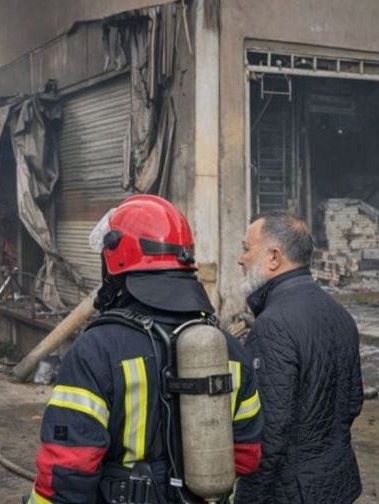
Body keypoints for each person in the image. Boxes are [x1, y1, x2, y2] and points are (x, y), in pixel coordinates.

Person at [27, 195, 263, 504]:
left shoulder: (96, 350)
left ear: (115, 258)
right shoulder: (227, 346)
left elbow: (68, 468)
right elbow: (247, 456)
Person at [233, 210, 363, 504]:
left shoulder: (273, 326)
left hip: (293, 492)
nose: (241, 259)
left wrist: (248, 498)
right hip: (337, 483)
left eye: (246, 248)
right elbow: (353, 403)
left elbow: (268, 432)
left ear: (274, 257)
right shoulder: (340, 314)